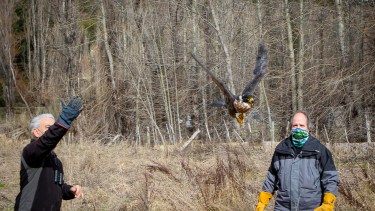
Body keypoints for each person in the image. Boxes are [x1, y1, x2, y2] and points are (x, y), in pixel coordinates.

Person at [255, 111, 339, 211]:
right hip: (283, 208)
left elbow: (330, 179)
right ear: (290, 128)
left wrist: (328, 204)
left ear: (308, 128)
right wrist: (262, 202)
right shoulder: (281, 150)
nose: (298, 128)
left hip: (312, 208)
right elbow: (271, 179)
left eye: (302, 125)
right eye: (295, 125)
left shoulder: (320, 151)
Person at [15, 96, 85, 211]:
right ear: (36, 132)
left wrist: (70, 190)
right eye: (49, 127)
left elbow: (56, 187)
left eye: (54, 126)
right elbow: (47, 140)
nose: (53, 130)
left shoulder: (55, 160)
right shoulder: (30, 152)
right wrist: (64, 120)